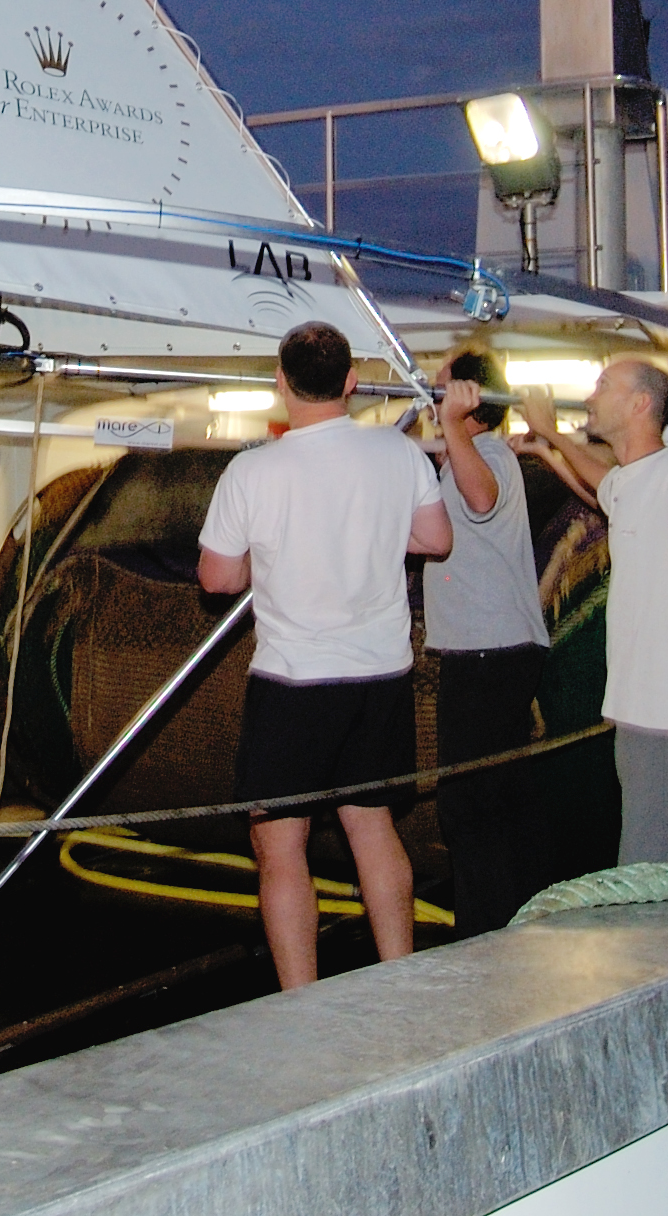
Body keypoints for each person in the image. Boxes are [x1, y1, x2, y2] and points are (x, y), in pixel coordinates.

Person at [198, 320, 451, 988]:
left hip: (294, 683)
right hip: (380, 676)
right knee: (371, 827)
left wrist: (277, 557)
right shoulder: (400, 457)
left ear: (280, 383)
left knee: (279, 847)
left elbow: (217, 579)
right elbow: (435, 539)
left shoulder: (252, 470)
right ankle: (400, 982)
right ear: (350, 382)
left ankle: (300, 1007)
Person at [530, 353, 668, 864]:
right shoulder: (634, 478)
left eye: (602, 384)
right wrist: (553, 439)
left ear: (640, 404)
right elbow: (607, 486)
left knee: (648, 878)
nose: (589, 396)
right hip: (645, 714)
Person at [424, 349, 551, 935]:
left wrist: (452, 428)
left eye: (442, 388)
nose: (432, 396)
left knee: (472, 808)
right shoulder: (465, 458)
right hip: (489, 649)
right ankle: (507, 926)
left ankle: (485, 940)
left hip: (488, 653)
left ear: (468, 398)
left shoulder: (487, 455)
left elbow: (481, 499)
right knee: (492, 804)